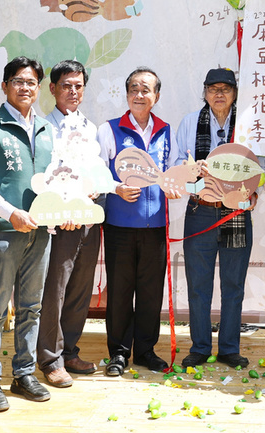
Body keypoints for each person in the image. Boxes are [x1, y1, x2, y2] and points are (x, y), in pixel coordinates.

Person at [0, 56, 55, 411]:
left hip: (41, 232)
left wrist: (62, 211)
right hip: (6, 232)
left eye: (32, 82)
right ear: (6, 85)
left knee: (31, 307)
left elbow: (57, 179)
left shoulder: (47, 129)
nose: (26, 87)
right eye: (18, 81)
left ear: (39, 89)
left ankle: (23, 374)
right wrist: (9, 213)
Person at [97, 67, 179, 376]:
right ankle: (118, 353)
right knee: (120, 291)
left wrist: (175, 186)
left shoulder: (166, 131)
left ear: (156, 96)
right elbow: (98, 171)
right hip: (119, 225)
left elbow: (171, 173)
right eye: (134, 88)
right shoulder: (110, 129)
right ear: (126, 94)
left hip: (155, 226)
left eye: (146, 89)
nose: (139, 95)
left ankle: (145, 350)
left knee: (150, 292)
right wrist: (115, 187)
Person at [174, 68, 256, 369]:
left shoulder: (247, 124)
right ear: (204, 92)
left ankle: (229, 348)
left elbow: (259, 167)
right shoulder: (190, 122)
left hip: (235, 212)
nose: (219, 94)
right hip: (200, 211)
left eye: (225, 88)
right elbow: (177, 168)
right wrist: (195, 174)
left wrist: (252, 193)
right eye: (212, 88)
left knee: (233, 284)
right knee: (198, 284)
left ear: (235, 92)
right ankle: (199, 347)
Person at [36, 60, 100, 388]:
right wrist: (66, 207)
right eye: (66, 85)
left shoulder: (90, 128)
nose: (73, 91)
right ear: (53, 89)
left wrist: (92, 193)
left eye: (78, 86)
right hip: (60, 220)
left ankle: (70, 350)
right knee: (55, 289)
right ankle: (49, 358)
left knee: (79, 288)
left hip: (88, 216)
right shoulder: (43, 128)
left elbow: (97, 172)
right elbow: (45, 176)